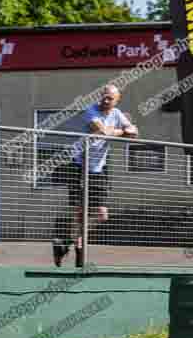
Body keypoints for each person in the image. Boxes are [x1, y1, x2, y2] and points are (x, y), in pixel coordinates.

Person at [52, 84, 138, 267]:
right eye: (103, 97)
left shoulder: (116, 113)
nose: (105, 100)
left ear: (117, 100)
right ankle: (76, 244)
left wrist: (123, 130)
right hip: (79, 166)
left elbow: (135, 132)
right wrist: (122, 131)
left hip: (98, 168)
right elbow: (103, 131)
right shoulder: (90, 110)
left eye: (110, 98)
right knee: (78, 212)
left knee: (101, 214)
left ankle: (67, 242)